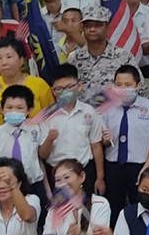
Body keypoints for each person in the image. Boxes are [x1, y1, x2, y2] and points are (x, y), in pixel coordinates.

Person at [102, 65, 149, 219]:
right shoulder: (106, 108)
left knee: (139, 207)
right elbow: (102, 142)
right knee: (114, 207)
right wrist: (104, 140)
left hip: (139, 165)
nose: (123, 88)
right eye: (118, 85)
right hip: (113, 165)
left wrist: (147, 166)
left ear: (137, 85)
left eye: (128, 85)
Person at [40, 65, 107, 194]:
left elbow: (96, 146)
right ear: (53, 91)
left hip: (84, 170)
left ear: (79, 86)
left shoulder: (89, 111)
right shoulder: (47, 115)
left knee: (86, 210)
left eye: (70, 87)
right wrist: (49, 139)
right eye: (59, 88)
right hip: (56, 172)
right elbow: (42, 155)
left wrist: (100, 178)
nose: (65, 92)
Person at [0, 85, 47, 201]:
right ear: (1, 109)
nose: (14, 112)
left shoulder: (36, 129)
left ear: (29, 110)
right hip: (6, 187)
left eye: (19, 108)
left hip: (34, 184)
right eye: (9, 107)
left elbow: (42, 156)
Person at [68, 6, 142, 92]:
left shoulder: (124, 57)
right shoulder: (74, 59)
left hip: (116, 105)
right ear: (82, 28)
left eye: (98, 25)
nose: (92, 29)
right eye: (88, 26)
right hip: (82, 105)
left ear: (107, 27)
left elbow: (140, 90)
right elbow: (67, 91)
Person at [0, 38, 56, 119]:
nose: (4, 63)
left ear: (21, 60)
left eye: (9, 57)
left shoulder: (39, 84)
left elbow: (52, 116)